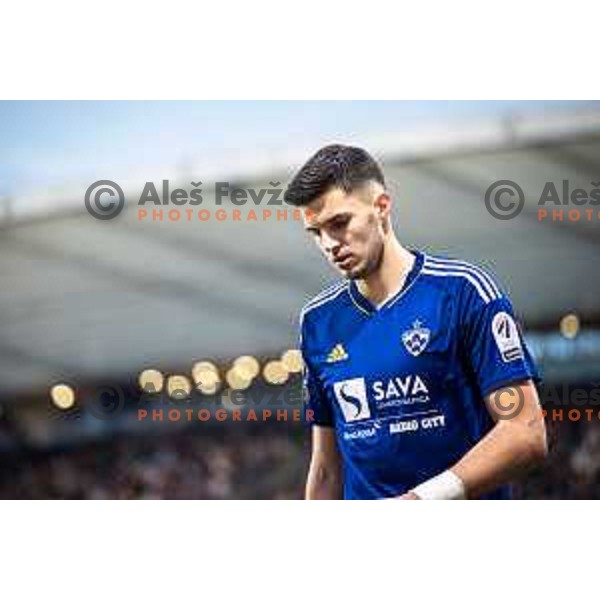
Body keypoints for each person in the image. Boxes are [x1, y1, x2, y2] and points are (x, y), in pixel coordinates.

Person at [284, 144, 547, 500]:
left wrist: (422, 500)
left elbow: (525, 431)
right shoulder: (317, 322)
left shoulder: (464, 293)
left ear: (381, 207)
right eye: (316, 233)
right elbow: (327, 467)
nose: (329, 243)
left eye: (339, 223)